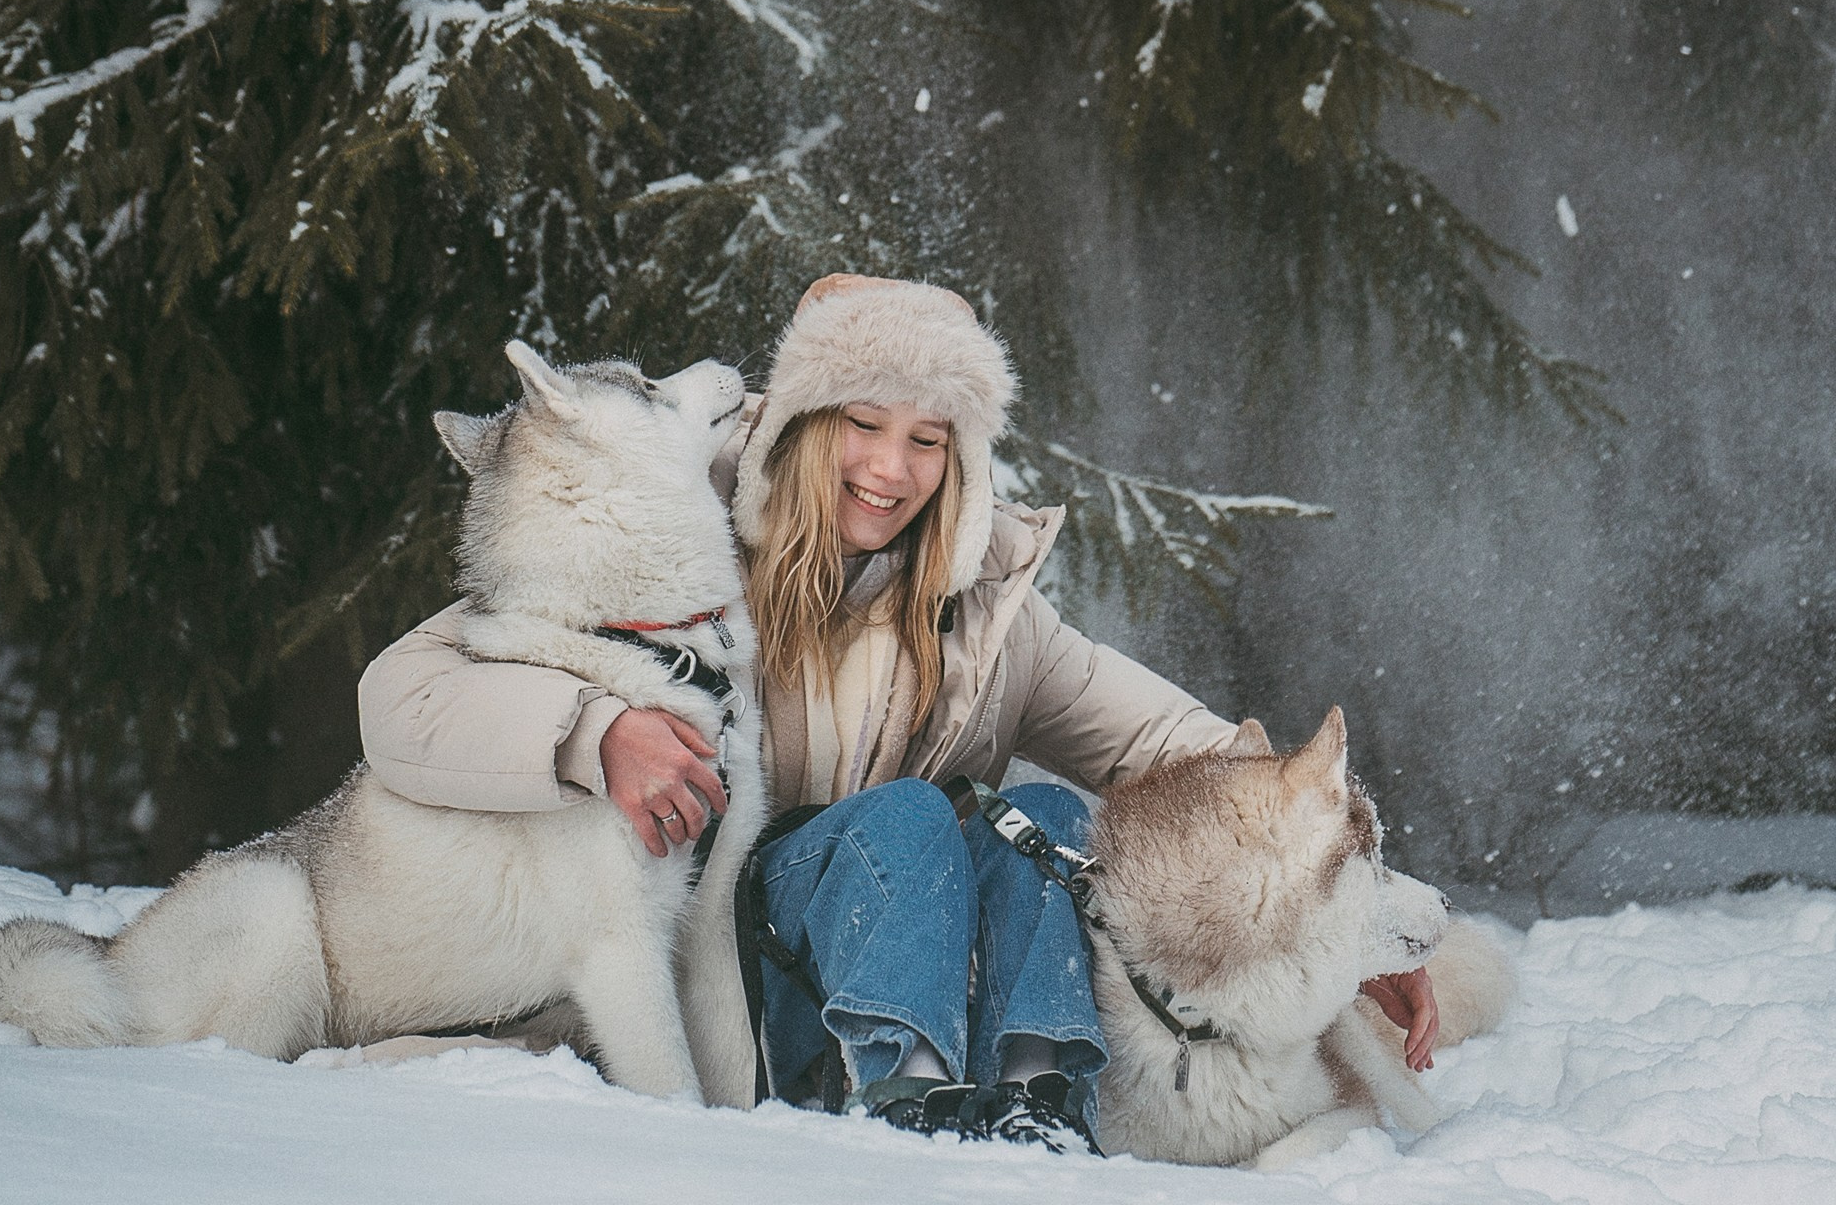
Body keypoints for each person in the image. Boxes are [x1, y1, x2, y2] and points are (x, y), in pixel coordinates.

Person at [357, 273, 1435, 1152]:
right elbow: (403, 694)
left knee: (1059, 824)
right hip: (739, 966)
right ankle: (909, 1113)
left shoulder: (988, 616)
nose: (889, 468)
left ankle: (1037, 1108)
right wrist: (595, 734)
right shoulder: (671, 559)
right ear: (800, 426)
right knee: (913, 815)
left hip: (911, 950)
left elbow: (1185, 752)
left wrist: (1343, 903)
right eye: (861, 424)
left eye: (929, 439)